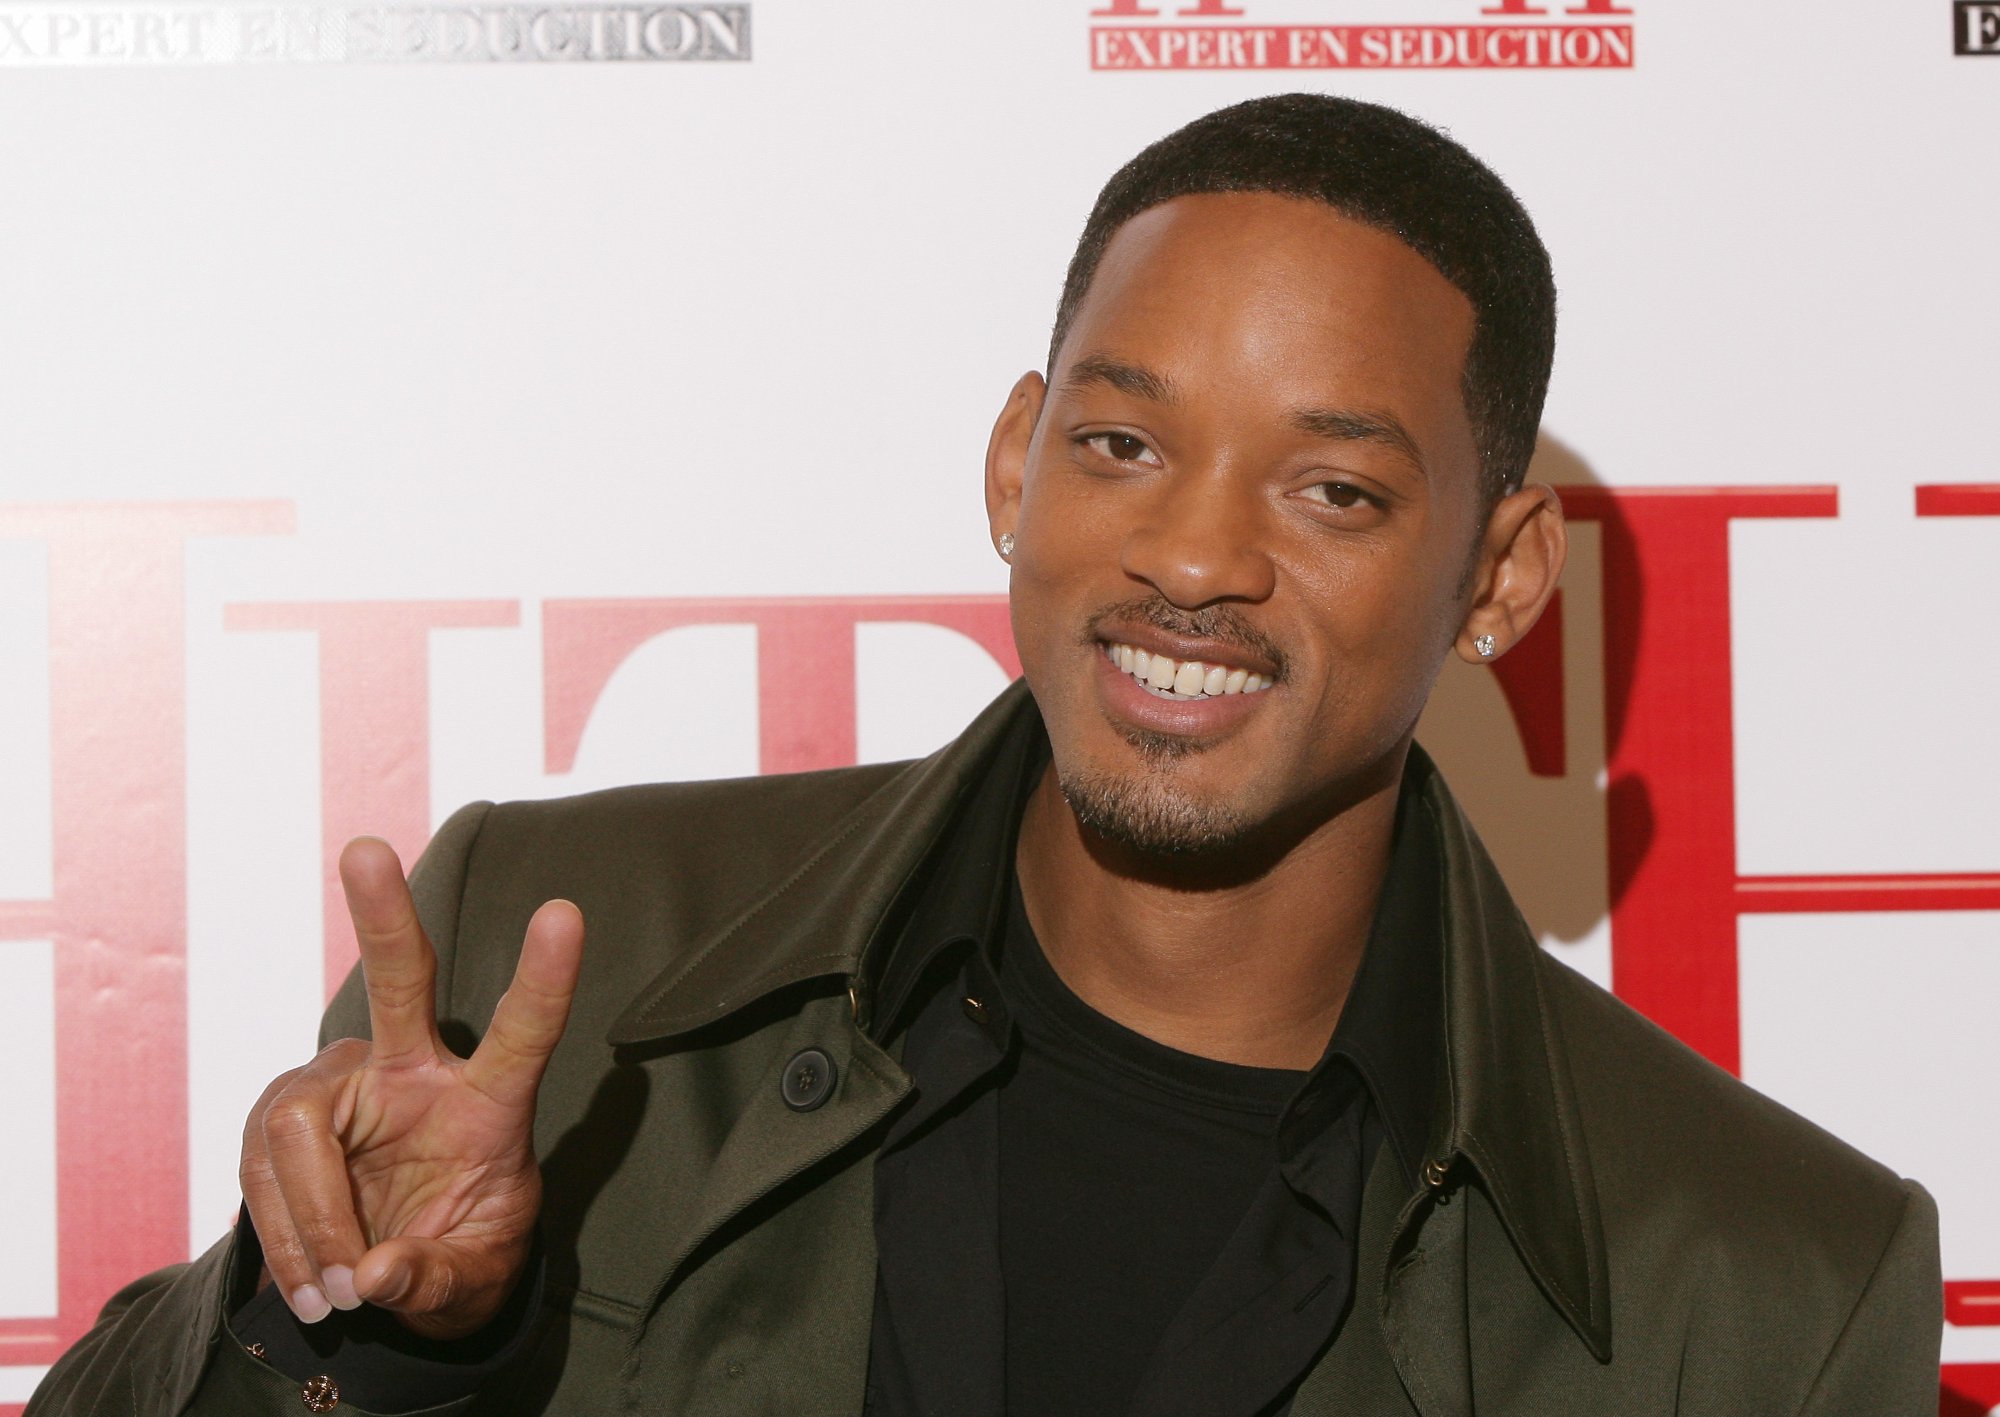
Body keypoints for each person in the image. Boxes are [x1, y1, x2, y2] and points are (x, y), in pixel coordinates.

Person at [30, 93, 1941, 1417]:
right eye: (1122, 444)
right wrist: (357, 1343)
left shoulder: (1770, 1279)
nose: (1193, 556)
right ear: (1016, 462)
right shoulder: (571, 962)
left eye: (1337, 485)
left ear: (1501, 577)